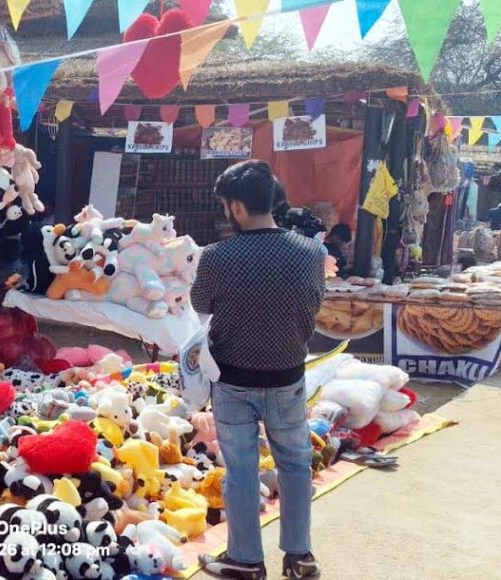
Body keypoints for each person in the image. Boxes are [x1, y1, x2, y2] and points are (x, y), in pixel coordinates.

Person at [192, 160, 326, 580]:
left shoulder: (217, 257)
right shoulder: (312, 253)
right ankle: (300, 556)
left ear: (235, 207)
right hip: (288, 375)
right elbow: (315, 305)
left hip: (233, 380)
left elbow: (200, 305)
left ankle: (246, 560)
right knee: (295, 465)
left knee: (242, 470)